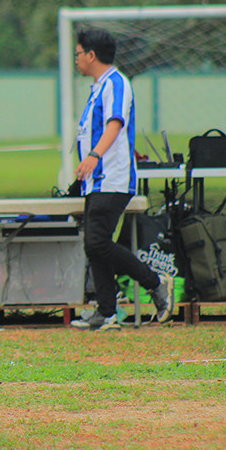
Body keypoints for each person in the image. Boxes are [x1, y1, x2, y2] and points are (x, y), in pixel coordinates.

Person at [70, 28, 174, 331]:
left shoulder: (117, 83)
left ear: (91, 55)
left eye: (78, 54)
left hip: (111, 178)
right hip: (96, 181)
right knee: (94, 244)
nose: (75, 60)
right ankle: (106, 311)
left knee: (98, 241)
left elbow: (115, 123)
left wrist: (94, 156)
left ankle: (155, 283)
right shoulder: (98, 87)